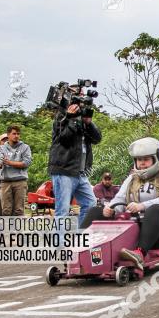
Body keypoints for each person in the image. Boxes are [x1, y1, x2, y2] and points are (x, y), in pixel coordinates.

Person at [81, 138, 159, 271]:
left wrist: (142, 206)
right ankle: (77, 248)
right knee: (96, 210)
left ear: (157, 159)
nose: (142, 163)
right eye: (139, 160)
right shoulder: (132, 179)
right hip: (135, 229)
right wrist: (111, 208)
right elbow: (120, 197)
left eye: (146, 159)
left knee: (156, 209)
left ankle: (139, 253)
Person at [48, 97, 102, 226]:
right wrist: (71, 119)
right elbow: (64, 139)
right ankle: (59, 245)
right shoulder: (61, 116)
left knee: (90, 204)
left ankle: (79, 239)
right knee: (63, 209)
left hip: (80, 172)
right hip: (64, 170)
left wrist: (89, 123)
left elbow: (97, 138)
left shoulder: (83, 120)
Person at [0, 125, 32, 216]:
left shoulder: (25, 147)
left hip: (20, 181)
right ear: (8, 135)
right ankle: (7, 230)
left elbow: (26, 163)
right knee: (6, 210)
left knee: (19, 210)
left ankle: (18, 230)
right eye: (14, 133)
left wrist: (10, 163)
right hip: (5, 181)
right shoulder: (0, 148)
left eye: (18, 134)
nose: (16, 136)